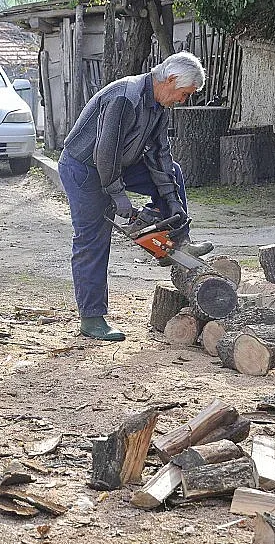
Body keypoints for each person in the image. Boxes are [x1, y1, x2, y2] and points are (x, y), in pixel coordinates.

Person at [58, 51, 212, 342]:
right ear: (170, 80)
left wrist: (174, 205)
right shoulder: (124, 98)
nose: (184, 101)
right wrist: (120, 198)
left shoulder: (158, 105)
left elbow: (160, 155)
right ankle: (92, 318)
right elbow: (105, 154)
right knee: (93, 239)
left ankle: (178, 240)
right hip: (85, 167)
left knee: (173, 172)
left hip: (119, 163)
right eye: (184, 93)